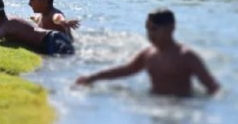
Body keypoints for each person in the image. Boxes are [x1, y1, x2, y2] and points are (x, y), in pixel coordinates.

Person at [76, 9, 220, 97]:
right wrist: (92, 77)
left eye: (154, 29)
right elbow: (126, 70)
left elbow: (213, 87)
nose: (150, 34)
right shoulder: (149, 54)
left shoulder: (186, 56)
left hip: (181, 108)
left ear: (171, 28)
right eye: (148, 29)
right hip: (155, 106)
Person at [0, 0, 74, 55]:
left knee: (68, 61)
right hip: (53, 37)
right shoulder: (6, 22)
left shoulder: (6, 25)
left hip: (51, 41)